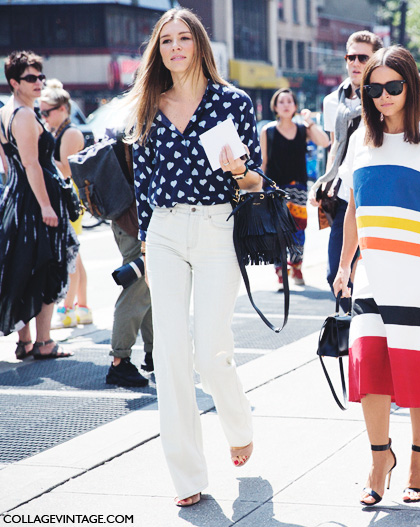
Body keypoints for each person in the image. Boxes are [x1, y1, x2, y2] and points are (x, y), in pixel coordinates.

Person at [125, 8, 264, 507]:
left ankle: (238, 422)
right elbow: (143, 181)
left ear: (199, 44)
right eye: (167, 41)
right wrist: (144, 239)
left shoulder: (232, 102)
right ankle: (187, 477)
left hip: (215, 227)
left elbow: (253, 181)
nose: (176, 47)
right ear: (158, 51)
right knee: (170, 353)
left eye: (185, 38)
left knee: (210, 350)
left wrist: (238, 168)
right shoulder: (146, 103)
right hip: (163, 231)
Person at [333, 46, 420, 507]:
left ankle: (418, 456)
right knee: (370, 370)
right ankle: (379, 459)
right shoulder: (361, 140)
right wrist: (343, 267)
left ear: (411, 87)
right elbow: (353, 207)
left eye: (394, 86)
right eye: (373, 89)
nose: (383, 96)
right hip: (374, 274)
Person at [0, 50, 78, 359]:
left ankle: (26, 341)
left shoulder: (7, 112)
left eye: (40, 77)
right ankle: (44, 342)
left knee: (23, 267)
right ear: (14, 82)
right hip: (35, 202)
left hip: (19, 198)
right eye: (31, 78)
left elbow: (8, 164)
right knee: (48, 267)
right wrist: (46, 207)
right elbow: (32, 165)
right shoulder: (22, 115)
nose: (38, 83)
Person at [311, 30, 383, 312]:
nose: (354, 62)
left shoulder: (384, 95)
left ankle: (369, 328)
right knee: (336, 272)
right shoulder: (333, 101)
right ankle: (349, 325)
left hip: (378, 192)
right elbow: (335, 146)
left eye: (362, 57)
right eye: (350, 57)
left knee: (374, 272)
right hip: (344, 194)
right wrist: (324, 182)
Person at [261, 88, 329, 290]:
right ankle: (281, 270)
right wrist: (257, 188)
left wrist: (309, 121)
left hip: (298, 189)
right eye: (281, 102)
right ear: (275, 107)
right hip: (274, 189)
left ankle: (297, 266)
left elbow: (325, 142)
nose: (285, 105)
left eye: (289, 101)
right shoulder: (269, 131)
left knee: (298, 230)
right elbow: (263, 161)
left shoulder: (302, 130)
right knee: (276, 231)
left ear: (295, 106)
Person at [38, 79, 92, 329]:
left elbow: (66, 170)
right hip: (67, 198)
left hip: (70, 200)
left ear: (62, 109)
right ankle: (81, 307)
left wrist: (38, 158)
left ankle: (69, 308)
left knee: (71, 255)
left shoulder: (70, 132)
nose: (43, 116)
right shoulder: (60, 131)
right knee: (76, 256)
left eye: (46, 112)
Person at [105, 131, 152, 387]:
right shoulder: (140, 125)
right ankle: (119, 362)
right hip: (136, 222)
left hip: (128, 218)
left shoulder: (129, 120)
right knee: (136, 290)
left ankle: (154, 354)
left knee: (148, 289)